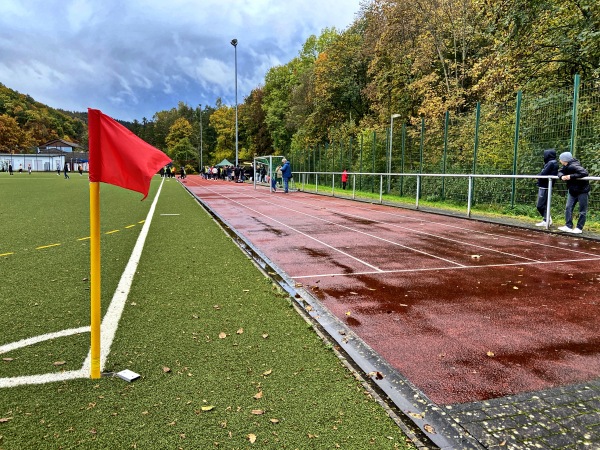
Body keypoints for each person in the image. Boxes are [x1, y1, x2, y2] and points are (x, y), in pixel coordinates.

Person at [556, 152, 590, 234]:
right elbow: (559, 172)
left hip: (582, 191)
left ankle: (579, 228)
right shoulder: (566, 166)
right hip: (573, 190)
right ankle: (568, 226)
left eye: (560, 159)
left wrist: (571, 176)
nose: (560, 160)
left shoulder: (574, 165)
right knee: (568, 207)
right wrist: (562, 176)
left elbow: (584, 173)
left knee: (582, 210)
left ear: (564, 160)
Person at [534, 149, 558, 227]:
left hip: (545, 186)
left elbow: (544, 173)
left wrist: (538, 176)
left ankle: (547, 219)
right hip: (546, 186)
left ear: (548, 155)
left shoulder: (551, 163)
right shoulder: (551, 163)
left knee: (540, 205)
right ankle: (546, 219)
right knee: (544, 205)